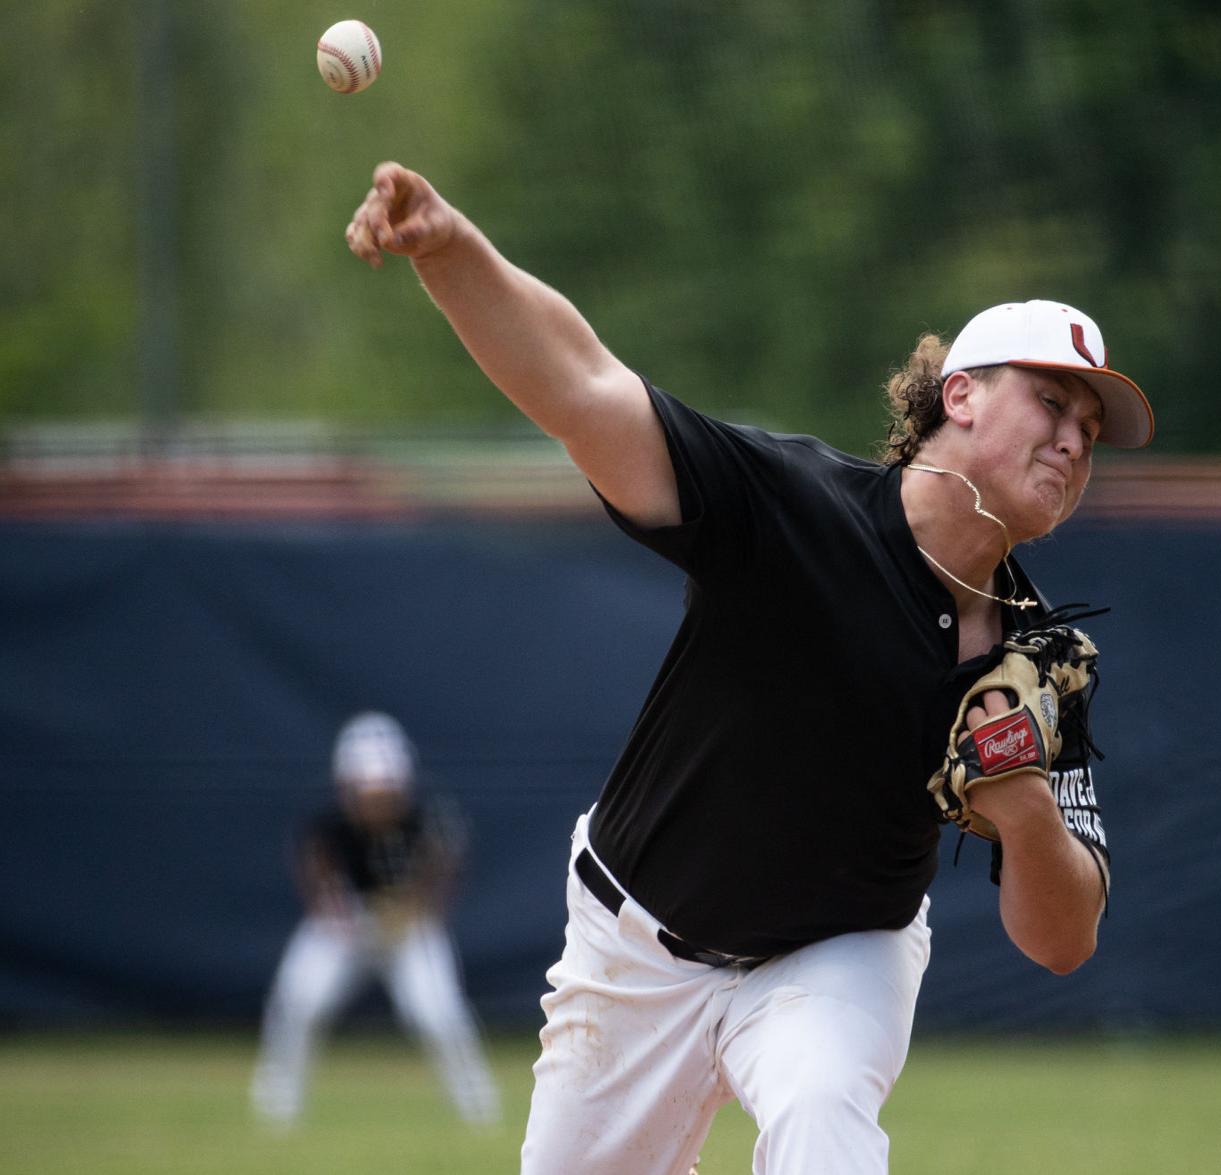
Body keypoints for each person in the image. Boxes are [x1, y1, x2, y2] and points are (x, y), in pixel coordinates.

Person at [345, 163, 1154, 1174]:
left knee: (823, 1129)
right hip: (634, 945)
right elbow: (586, 386)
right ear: (962, 395)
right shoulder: (793, 507)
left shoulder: (1036, 662)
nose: (1073, 442)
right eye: (1051, 402)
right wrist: (452, 250)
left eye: (1090, 432)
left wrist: (1025, 800)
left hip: (836, 956)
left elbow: (1064, 938)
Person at [250, 711, 500, 1127]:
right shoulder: (327, 822)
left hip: (408, 924)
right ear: (347, 786)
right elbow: (316, 871)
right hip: (347, 920)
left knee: (437, 1011)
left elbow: (443, 870)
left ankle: (477, 1107)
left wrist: (414, 910)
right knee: (298, 999)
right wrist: (336, 913)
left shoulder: (428, 815)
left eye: (385, 789)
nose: (377, 800)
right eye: (368, 790)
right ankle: (277, 1106)